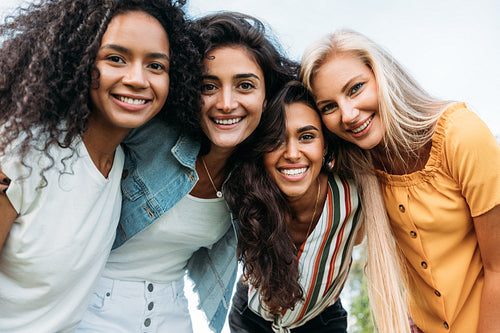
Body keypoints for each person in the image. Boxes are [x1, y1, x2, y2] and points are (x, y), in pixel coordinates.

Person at [75, 12, 297, 333]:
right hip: (88, 309)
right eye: (209, 86)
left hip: (172, 316)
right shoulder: (150, 134)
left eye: (245, 86)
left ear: (265, 99)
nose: (226, 103)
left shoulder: (256, 176)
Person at [0, 0, 200, 332]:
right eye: (115, 59)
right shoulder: (22, 152)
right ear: (77, 59)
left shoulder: (124, 164)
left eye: (156, 65)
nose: (137, 79)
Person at [300, 29, 500, 332]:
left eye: (355, 89)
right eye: (328, 106)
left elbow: (498, 268)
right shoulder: (358, 164)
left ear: (382, 75)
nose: (348, 114)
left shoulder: (461, 135)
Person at [224, 81, 409, 333]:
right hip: (252, 318)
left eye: (307, 137)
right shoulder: (248, 193)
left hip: (323, 321)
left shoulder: (355, 194)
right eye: (276, 140)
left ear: (325, 146)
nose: (291, 153)